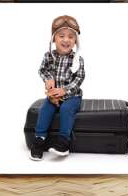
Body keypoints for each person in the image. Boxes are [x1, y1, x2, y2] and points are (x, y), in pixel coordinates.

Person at [29, 15, 85, 161]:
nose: (66, 40)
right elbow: (42, 70)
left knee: (66, 109)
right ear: (54, 39)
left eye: (71, 37)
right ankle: (39, 139)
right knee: (45, 109)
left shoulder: (77, 59)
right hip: (53, 96)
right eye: (61, 36)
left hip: (72, 96)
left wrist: (65, 90)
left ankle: (63, 142)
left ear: (75, 41)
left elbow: (79, 78)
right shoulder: (49, 56)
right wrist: (48, 79)